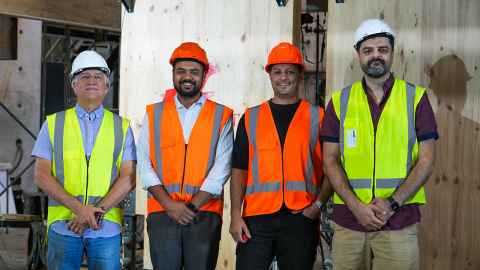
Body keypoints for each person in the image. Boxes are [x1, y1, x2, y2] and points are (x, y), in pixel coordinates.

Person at [321, 19, 438, 270]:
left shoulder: (416, 98)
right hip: (349, 222)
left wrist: (392, 203)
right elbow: (329, 160)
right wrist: (356, 207)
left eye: (382, 50)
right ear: (358, 54)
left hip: (399, 220)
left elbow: (427, 160)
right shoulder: (340, 101)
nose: (376, 56)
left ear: (392, 53)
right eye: (368, 50)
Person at [229, 42, 332, 270]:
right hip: (256, 219)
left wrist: (317, 206)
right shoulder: (251, 117)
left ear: (299, 75)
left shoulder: (319, 116)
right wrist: (235, 215)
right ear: (270, 76)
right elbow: (238, 170)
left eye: (289, 72)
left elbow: (332, 168)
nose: (283, 78)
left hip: (301, 218)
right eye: (277, 71)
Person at [33, 50, 137, 270]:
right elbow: (41, 175)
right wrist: (79, 209)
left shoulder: (122, 127)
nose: (92, 81)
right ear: (74, 85)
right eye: (85, 77)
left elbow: (129, 177)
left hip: (105, 227)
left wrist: (93, 213)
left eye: (98, 77)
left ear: (107, 86)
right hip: (64, 224)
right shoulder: (52, 124)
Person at [137, 42, 233, 270]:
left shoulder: (221, 115)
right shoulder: (154, 114)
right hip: (163, 212)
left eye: (194, 72)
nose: (187, 77)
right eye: (181, 71)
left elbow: (222, 167)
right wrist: (169, 205)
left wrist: (190, 208)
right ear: (173, 74)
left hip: (204, 214)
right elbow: (144, 163)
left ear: (203, 76)